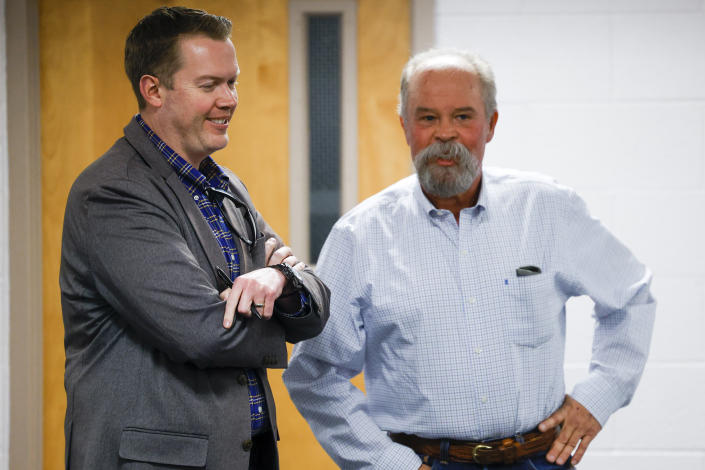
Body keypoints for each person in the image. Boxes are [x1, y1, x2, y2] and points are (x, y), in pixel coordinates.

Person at [283, 48, 655, 470]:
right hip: (421, 462)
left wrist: (596, 399)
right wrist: (388, 463)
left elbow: (632, 297)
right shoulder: (360, 237)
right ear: (404, 125)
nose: (446, 133)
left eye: (463, 116)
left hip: (538, 459)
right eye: (427, 118)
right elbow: (315, 373)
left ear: (491, 124)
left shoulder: (547, 209)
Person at [60, 6, 329, 470]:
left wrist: (277, 279)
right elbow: (203, 333)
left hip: (243, 454)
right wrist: (283, 296)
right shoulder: (112, 193)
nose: (229, 99)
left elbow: (317, 304)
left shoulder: (226, 185)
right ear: (154, 90)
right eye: (210, 85)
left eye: (233, 82)